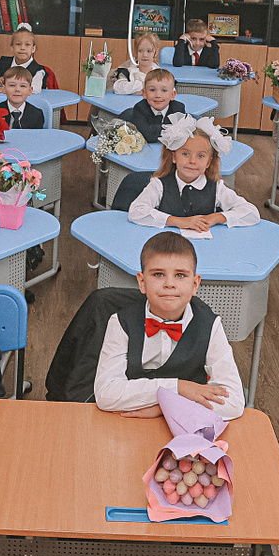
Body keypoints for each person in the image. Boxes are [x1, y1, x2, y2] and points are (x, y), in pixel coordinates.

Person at [94, 231, 245, 421]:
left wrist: (164, 407)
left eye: (180, 275)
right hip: (129, 421)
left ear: (195, 284)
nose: (169, 284)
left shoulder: (210, 325)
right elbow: (106, 395)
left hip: (186, 426)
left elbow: (234, 402)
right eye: (158, 274)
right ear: (142, 282)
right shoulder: (120, 322)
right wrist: (178, 388)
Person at [127, 116, 259, 233]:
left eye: (201, 156)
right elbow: (136, 212)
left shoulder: (217, 187)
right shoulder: (158, 184)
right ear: (174, 156)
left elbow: (252, 213)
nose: (192, 161)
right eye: (185, 154)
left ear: (208, 162)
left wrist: (216, 217)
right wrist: (179, 222)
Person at [121, 68, 188, 143]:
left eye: (164, 90)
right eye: (152, 90)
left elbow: (181, 133)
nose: (158, 95)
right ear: (145, 93)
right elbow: (147, 135)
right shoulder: (140, 108)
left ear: (172, 95)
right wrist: (171, 129)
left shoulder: (178, 108)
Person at [0, 24, 56, 91]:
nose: (22, 48)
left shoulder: (38, 71)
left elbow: (35, 89)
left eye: (27, 44)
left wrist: (10, 85)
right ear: (12, 47)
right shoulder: (2, 64)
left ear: (33, 48)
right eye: (18, 44)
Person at [0, 65, 47, 132]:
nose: (17, 89)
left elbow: (36, 136)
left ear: (30, 91)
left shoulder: (37, 114)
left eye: (23, 86)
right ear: (4, 89)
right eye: (12, 85)